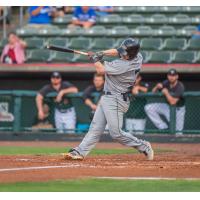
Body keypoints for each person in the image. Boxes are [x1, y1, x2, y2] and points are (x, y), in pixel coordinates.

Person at [63, 38, 154, 161]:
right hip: (107, 97)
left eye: (125, 53)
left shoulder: (124, 65)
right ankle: (80, 151)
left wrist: (95, 58)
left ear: (131, 54)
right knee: (95, 128)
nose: (122, 54)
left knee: (116, 133)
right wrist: (101, 53)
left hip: (116, 99)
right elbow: (117, 51)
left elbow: (100, 69)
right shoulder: (138, 56)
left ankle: (143, 146)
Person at [145, 69, 185, 135]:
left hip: (178, 110)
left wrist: (166, 93)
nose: (171, 77)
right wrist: (157, 87)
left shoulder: (180, 86)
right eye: (170, 75)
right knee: (149, 107)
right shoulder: (166, 82)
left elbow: (173, 102)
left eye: (173, 75)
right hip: (167, 107)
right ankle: (163, 127)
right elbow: (153, 92)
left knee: (178, 133)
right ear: (167, 76)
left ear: (177, 76)